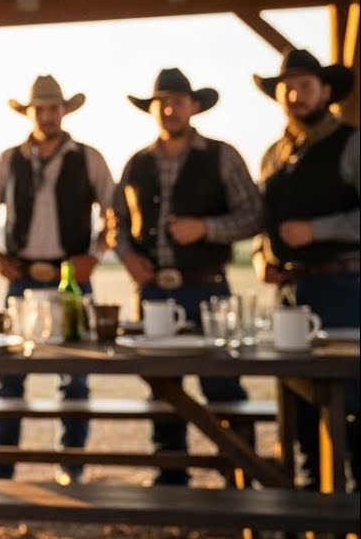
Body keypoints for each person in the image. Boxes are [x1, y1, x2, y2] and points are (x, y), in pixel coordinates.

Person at [111, 68, 263, 486]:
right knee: (162, 390)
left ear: (194, 106)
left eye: (178, 100)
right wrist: (128, 257)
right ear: (152, 109)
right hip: (154, 291)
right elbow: (115, 221)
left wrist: (206, 229)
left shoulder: (222, 155)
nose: (170, 108)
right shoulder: (137, 162)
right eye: (162, 101)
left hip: (208, 288)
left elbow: (254, 214)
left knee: (223, 387)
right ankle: (171, 475)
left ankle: (241, 474)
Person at [0, 75, 116, 485]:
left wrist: (95, 255)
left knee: (74, 375)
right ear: (30, 113)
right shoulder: (8, 159)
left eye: (54, 108)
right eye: (40, 108)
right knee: (9, 375)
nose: (47, 115)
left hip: (71, 277)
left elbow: (112, 214)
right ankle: (2, 467)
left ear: (64, 111)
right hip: (21, 278)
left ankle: (71, 464)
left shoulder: (88, 157)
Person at [252, 48, 359, 490]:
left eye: (306, 86)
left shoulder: (352, 142)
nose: (296, 95)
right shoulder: (273, 154)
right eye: (288, 87)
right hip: (291, 295)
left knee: (353, 404)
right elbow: (264, 223)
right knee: (299, 406)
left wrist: (318, 230)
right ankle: (314, 506)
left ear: (326, 91)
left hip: (346, 288)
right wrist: (263, 259)